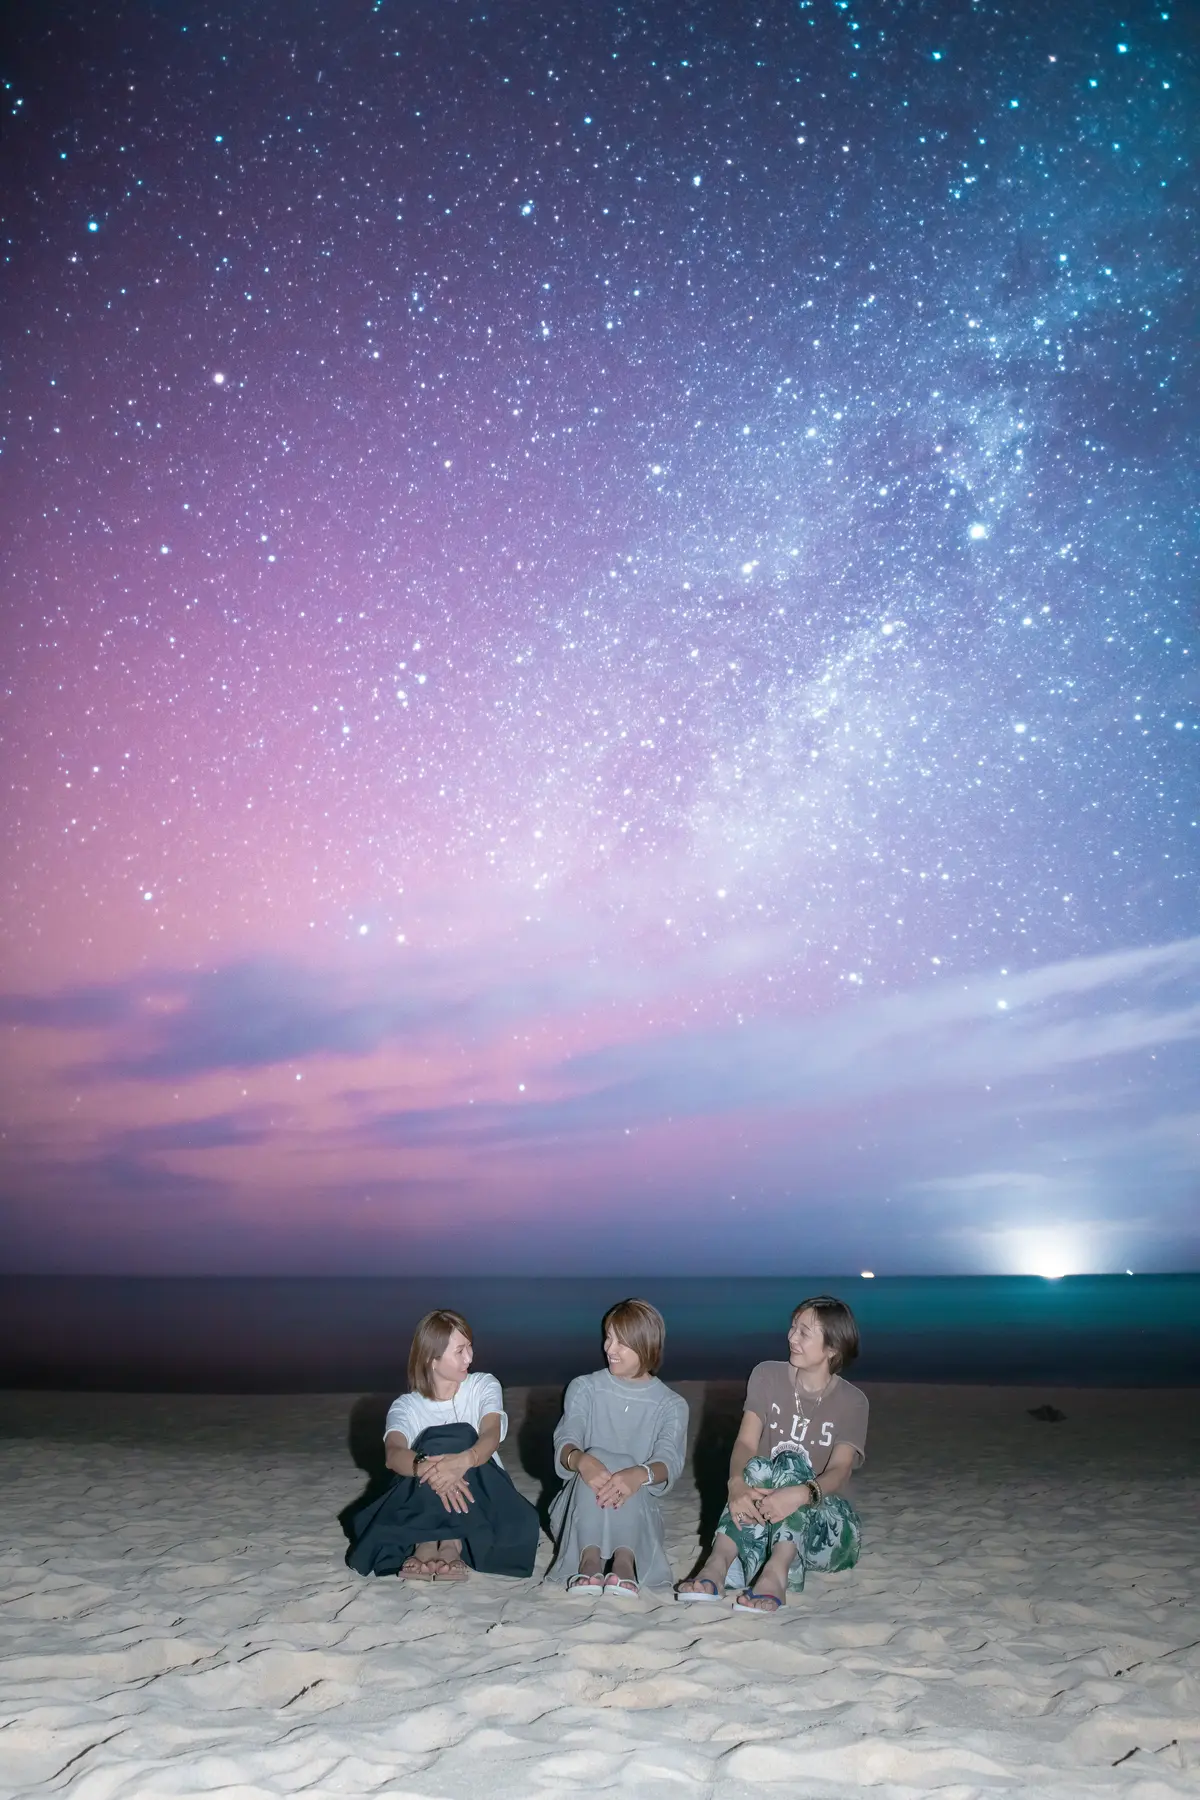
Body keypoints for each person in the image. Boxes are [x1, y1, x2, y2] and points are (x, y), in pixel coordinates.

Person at [677, 1294, 867, 1612]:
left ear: (833, 1347)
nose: (792, 1337)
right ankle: (716, 1565)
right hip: (762, 1519)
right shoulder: (767, 1375)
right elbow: (746, 1444)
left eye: (805, 1332)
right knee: (755, 1468)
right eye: (793, 1327)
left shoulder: (853, 1400)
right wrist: (736, 1484)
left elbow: (841, 1470)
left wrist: (800, 1493)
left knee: (792, 1463)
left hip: (827, 1531)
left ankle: (776, 1572)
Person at [347, 1308, 539, 1582]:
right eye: (459, 1351)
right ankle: (427, 1541)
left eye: (470, 1347)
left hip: (479, 1492)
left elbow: (491, 1435)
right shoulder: (407, 1406)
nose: (470, 1357)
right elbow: (393, 1454)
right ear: (431, 1360)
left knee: (459, 1434)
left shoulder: (483, 1385)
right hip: (423, 1492)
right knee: (432, 1444)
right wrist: (430, 1469)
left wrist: (462, 1462)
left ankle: (449, 1542)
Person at [549, 1297, 689, 1596]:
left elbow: (669, 1460)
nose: (609, 1349)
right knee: (599, 1455)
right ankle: (589, 1559)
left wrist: (637, 1474)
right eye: (608, 1338)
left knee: (626, 1463)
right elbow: (566, 1437)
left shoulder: (671, 1405)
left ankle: (625, 1561)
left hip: (639, 1513)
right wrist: (581, 1460)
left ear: (646, 1346)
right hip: (577, 1505)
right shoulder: (584, 1387)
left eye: (621, 1343)